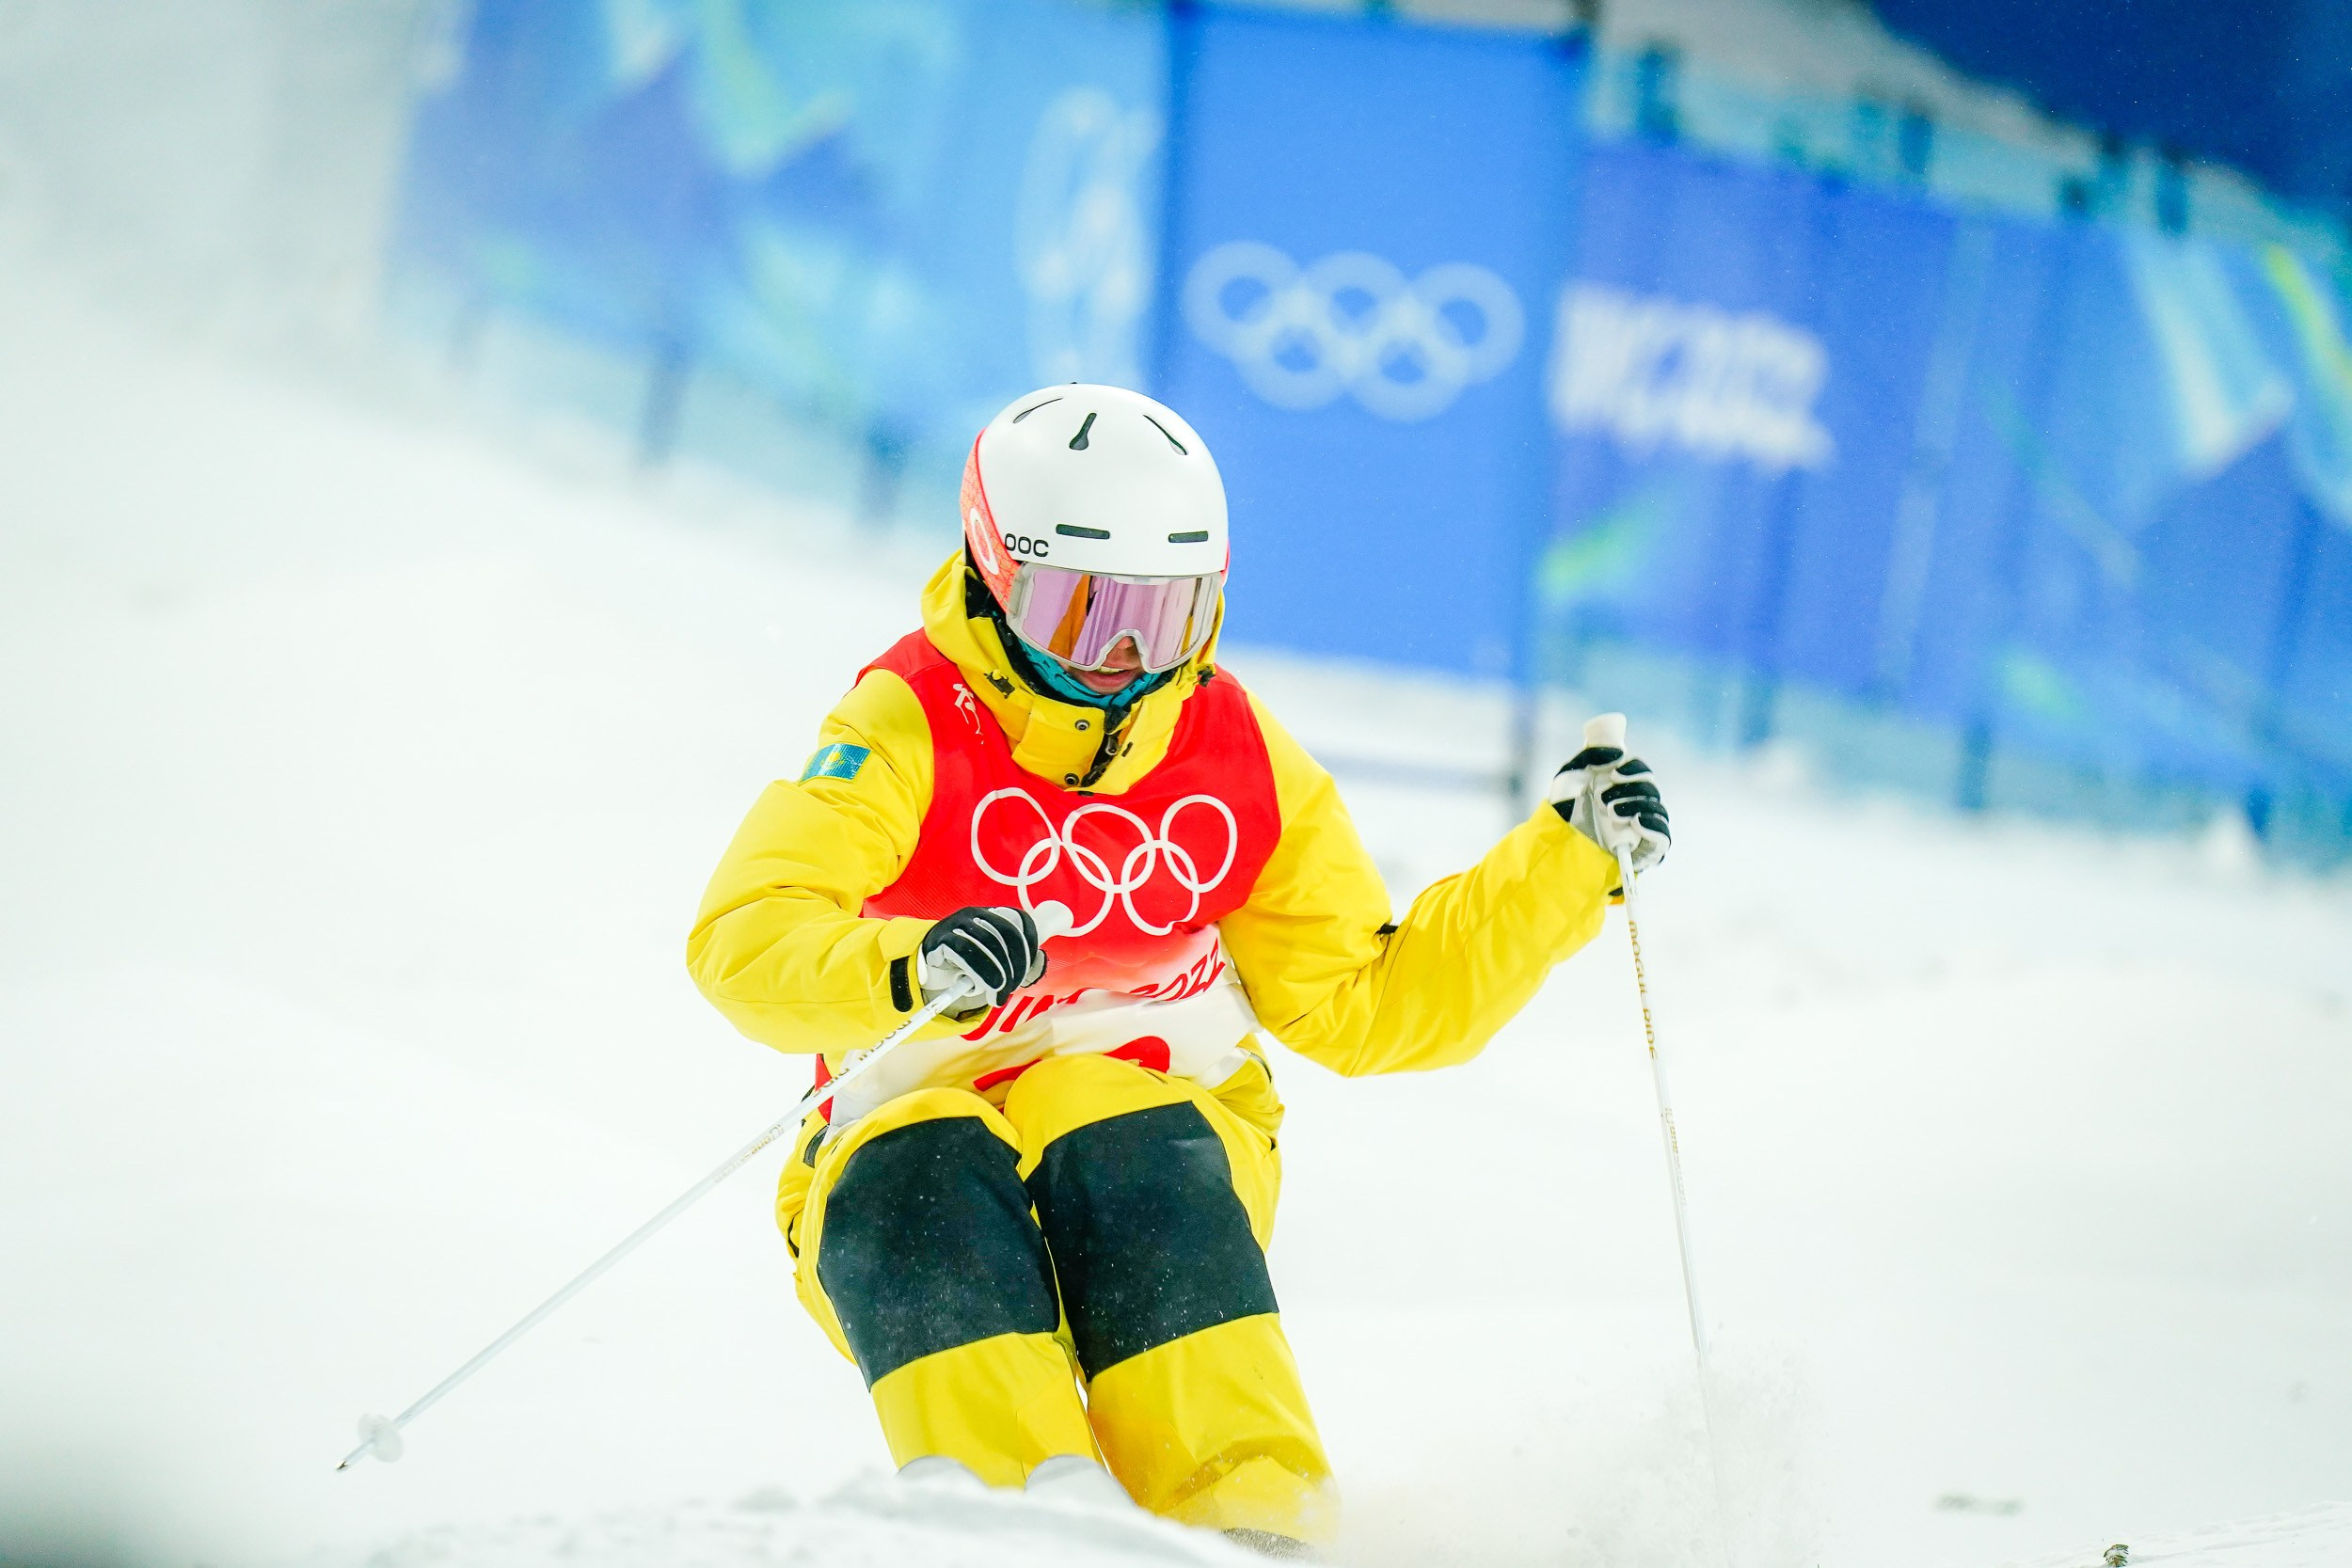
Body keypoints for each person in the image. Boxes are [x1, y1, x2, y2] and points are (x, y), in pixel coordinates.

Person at [687, 385, 1670, 1554]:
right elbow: (742, 936)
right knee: (919, 1170)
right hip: (902, 1132)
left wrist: (1564, 860)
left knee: (1107, 1116)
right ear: (995, 572)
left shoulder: (1235, 754)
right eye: (1077, 610)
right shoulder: (906, 726)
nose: (1118, 659)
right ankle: (1015, 1523)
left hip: (1161, 1142)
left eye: (1162, 618)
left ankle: (1252, 1521)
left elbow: (1369, 1006)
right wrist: (910, 965)